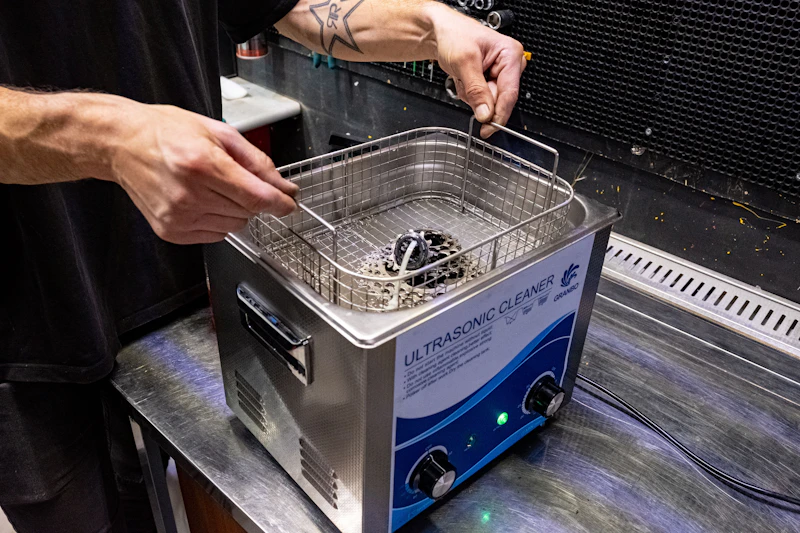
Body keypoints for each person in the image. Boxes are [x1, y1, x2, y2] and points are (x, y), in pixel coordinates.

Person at [0, 0, 525, 531]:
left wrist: (432, 24)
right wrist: (105, 136)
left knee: (147, 483)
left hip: (172, 274)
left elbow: (298, 9)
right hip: (27, 318)